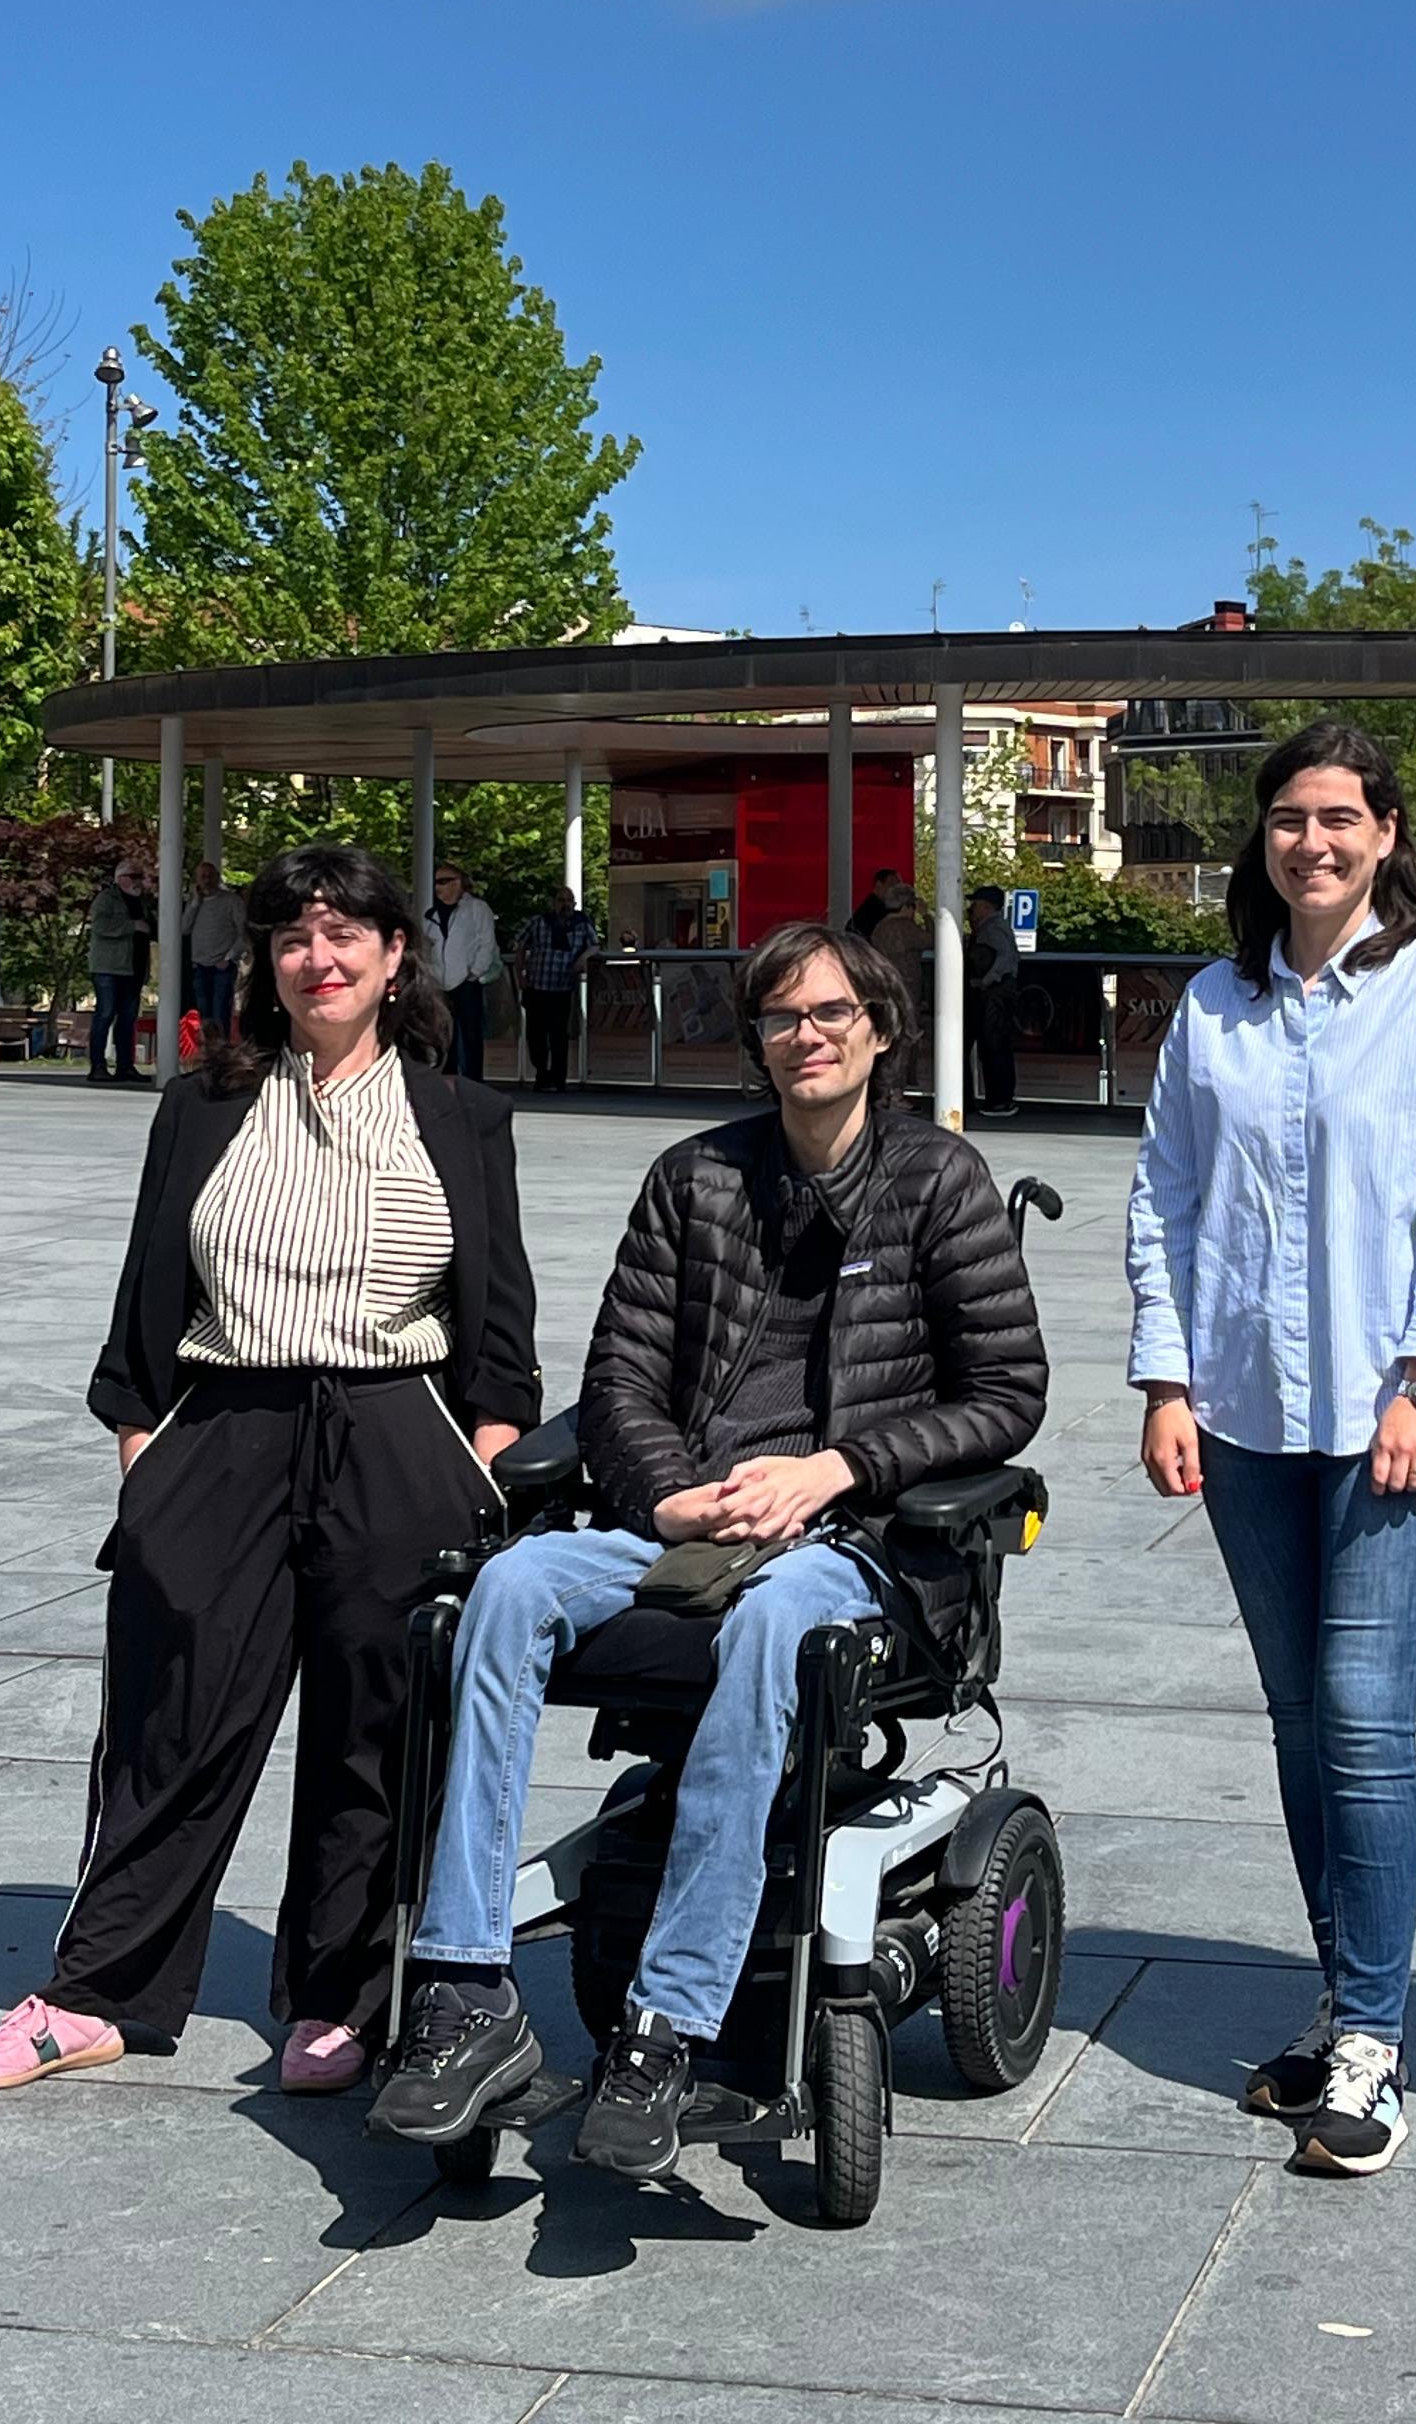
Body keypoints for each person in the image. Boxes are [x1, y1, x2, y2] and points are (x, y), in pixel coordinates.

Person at [371, 921, 1045, 2174]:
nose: (808, 1035)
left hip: (855, 1539)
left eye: (832, 1013)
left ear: (881, 1031)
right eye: (783, 1017)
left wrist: (838, 1469)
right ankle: (466, 1991)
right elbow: (618, 1380)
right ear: (758, 1041)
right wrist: (673, 1496)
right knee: (505, 1587)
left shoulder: (939, 1179)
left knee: (776, 1620)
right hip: (685, 1523)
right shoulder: (696, 1179)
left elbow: (1007, 1394)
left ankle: (667, 2026)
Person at [0, 846, 539, 2100]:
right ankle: (98, 1993)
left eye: (344, 934)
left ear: (394, 956)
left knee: (376, 1733)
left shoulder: (463, 1116)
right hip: (223, 1428)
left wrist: (484, 1462)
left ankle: (340, 1997)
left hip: (396, 1432)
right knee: (172, 1718)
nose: (319, 959)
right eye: (293, 937)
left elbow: (499, 1327)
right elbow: (145, 1297)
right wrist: (145, 1453)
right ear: (266, 961)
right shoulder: (203, 1106)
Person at [1124, 718, 1416, 2178]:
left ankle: (1376, 2043)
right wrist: (1166, 1378)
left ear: (1387, 833)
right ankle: (1344, 1999)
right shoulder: (1213, 1004)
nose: (1314, 843)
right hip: (1242, 1412)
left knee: (1360, 1715)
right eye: (1291, 819)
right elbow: (1165, 1196)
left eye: (1341, 818)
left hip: (1386, 1419)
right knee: (1298, 1722)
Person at [516, 883, 596, 1092]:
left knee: (559, 1035)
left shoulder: (581, 923)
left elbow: (595, 945)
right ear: (553, 903)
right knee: (536, 1036)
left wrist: (583, 958)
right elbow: (520, 945)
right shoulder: (538, 922)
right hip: (537, 985)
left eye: (569, 901)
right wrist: (520, 975)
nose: (565, 905)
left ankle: (559, 1078)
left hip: (563, 987)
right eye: (561, 900)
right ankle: (541, 1074)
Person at [428, 863, 500, 1084]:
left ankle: (472, 1081)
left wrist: (474, 972)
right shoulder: (431, 914)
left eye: (443, 881)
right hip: (440, 982)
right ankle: (447, 1079)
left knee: (470, 1034)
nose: (438, 887)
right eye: (436, 882)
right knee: (444, 1034)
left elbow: (486, 943)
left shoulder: (477, 909)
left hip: (467, 981)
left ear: (459, 883)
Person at [86, 863, 151, 1086]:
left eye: (141, 876)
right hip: (109, 968)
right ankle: (98, 1066)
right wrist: (132, 926)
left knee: (128, 1018)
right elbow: (100, 926)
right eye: (134, 876)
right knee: (105, 1014)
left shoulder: (143, 902)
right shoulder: (106, 899)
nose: (139, 881)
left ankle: (125, 1066)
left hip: (134, 968)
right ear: (120, 878)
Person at [965, 883, 1022, 1116]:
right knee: (995, 1046)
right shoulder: (993, 927)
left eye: (976, 904)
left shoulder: (992, 930)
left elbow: (1004, 959)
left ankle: (999, 1100)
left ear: (987, 907)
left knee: (994, 1046)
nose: (971, 908)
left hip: (995, 994)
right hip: (997, 992)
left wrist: (986, 980)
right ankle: (1000, 1098)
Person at [185, 869, 249, 1048]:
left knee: (220, 1013)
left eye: (210, 876)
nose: (207, 880)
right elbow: (183, 928)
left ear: (217, 877)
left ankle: (221, 1054)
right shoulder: (194, 902)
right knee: (203, 1016)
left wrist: (229, 957)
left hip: (222, 966)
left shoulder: (231, 901)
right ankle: (207, 1054)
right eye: (203, 876)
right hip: (199, 965)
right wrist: (195, 903)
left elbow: (244, 932)